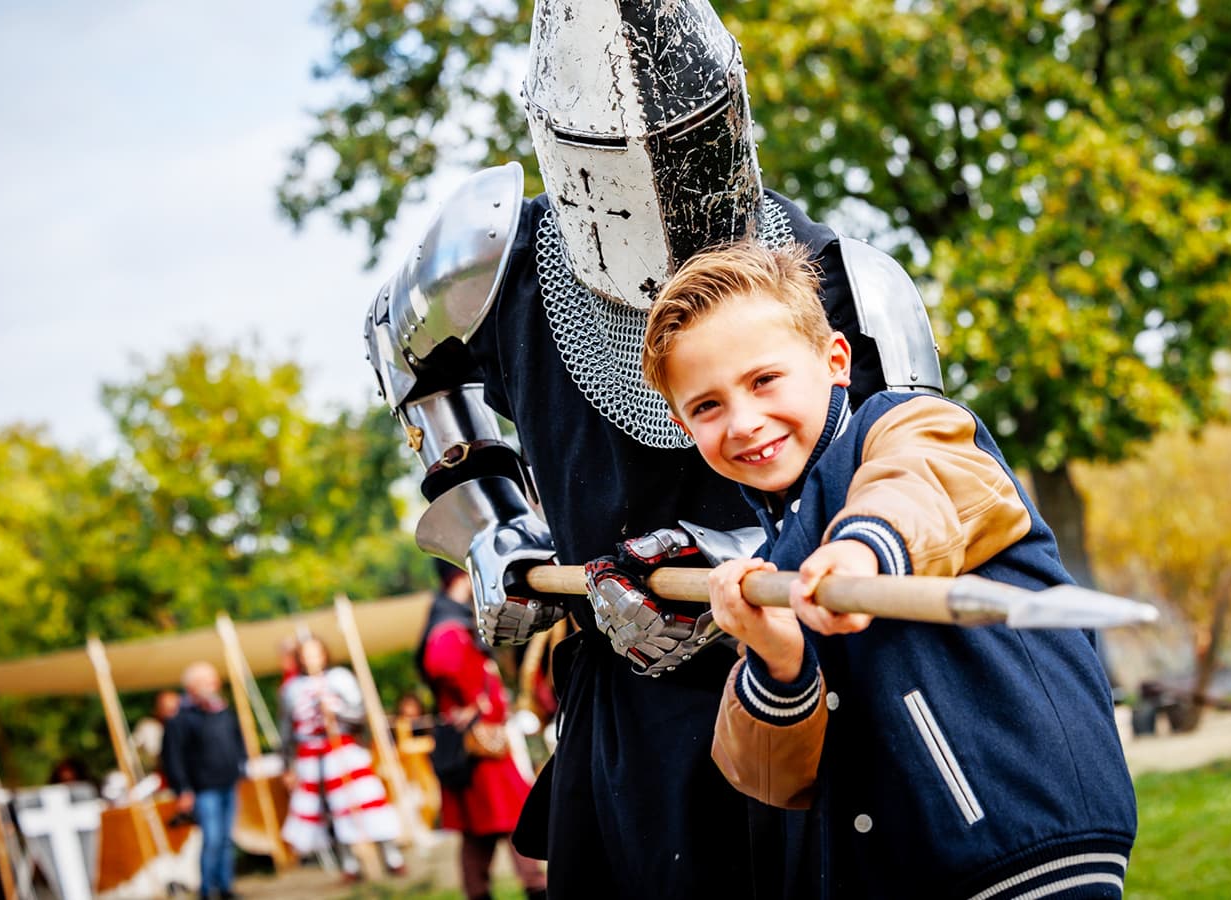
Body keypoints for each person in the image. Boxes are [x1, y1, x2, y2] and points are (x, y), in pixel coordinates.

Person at [358, 3, 943, 895]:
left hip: (817, 686)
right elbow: (405, 353)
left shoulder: (844, 282)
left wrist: (752, 562)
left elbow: (913, 476)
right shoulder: (492, 264)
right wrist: (495, 528)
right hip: (621, 717)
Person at [639, 241, 1139, 899]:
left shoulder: (910, 428)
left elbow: (918, 490)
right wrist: (777, 661)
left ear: (835, 360)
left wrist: (861, 553)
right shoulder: (774, 559)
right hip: (911, 870)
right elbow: (771, 775)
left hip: (1022, 840)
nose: (744, 421)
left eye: (765, 380)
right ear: (682, 423)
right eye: (707, 406)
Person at [418, 561, 548, 900]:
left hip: (481, 743)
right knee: (515, 817)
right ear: (462, 578)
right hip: (480, 746)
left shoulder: (450, 619)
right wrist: (473, 701)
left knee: (480, 830)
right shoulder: (448, 626)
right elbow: (442, 662)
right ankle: (535, 887)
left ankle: (488, 890)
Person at [277, 635, 405, 879]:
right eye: (306, 654)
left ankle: (391, 855)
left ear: (324, 654)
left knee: (368, 799)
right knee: (330, 810)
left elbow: (359, 715)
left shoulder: (339, 678)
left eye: (315, 653)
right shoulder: (291, 689)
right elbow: (286, 731)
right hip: (311, 758)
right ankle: (349, 863)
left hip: (344, 750)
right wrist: (287, 765)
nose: (311, 659)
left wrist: (336, 711)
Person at [161, 662, 248, 900]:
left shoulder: (223, 712)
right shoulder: (181, 719)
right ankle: (207, 890)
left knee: (227, 838)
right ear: (191, 687)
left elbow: (238, 742)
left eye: (212, 680)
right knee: (212, 838)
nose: (211, 685)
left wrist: (241, 765)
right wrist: (183, 789)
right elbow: (173, 758)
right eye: (204, 681)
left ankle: (225, 886)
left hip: (228, 783)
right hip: (203, 788)